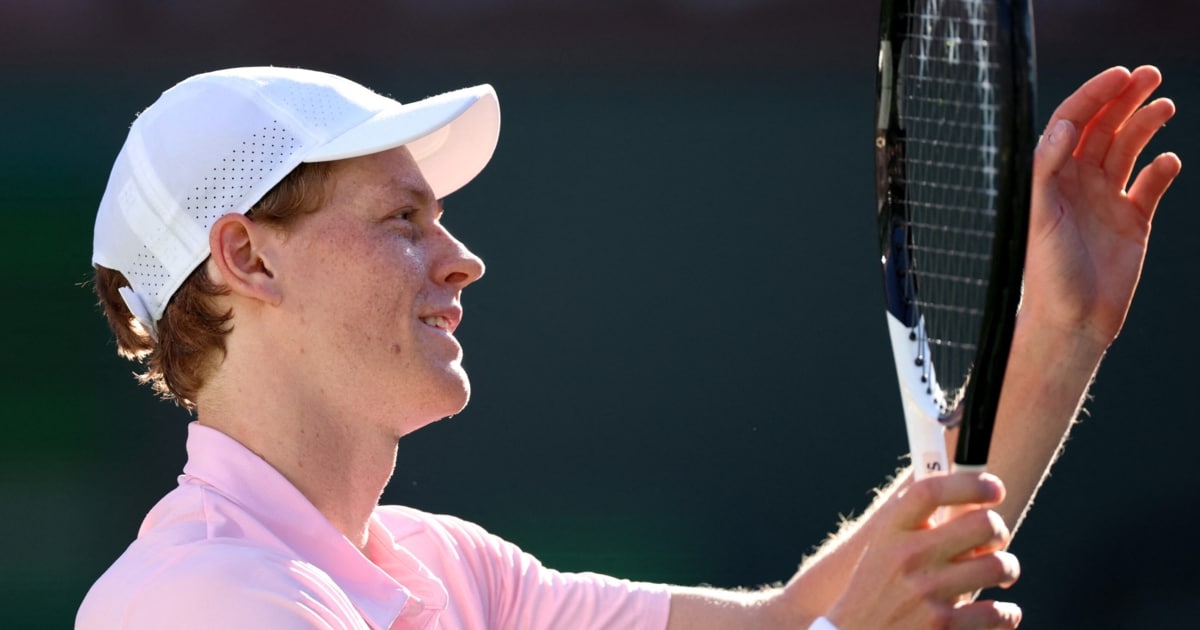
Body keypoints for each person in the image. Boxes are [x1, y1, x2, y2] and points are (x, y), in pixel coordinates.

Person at [77, 64, 1179, 629]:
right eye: (400, 220)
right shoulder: (204, 602)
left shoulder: (445, 570)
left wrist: (1056, 339)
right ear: (250, 261)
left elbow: (789, 619)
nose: (461, 260)